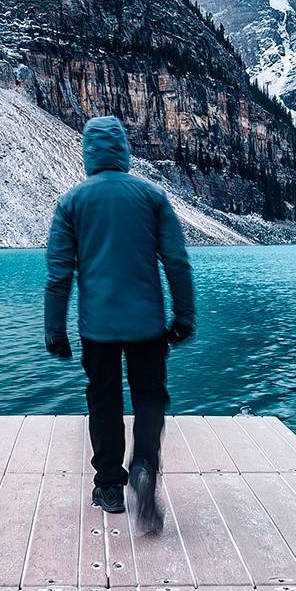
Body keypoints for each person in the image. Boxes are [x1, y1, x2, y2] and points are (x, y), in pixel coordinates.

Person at [45, 116, 195, 536]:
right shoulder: (152, 196)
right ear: (124, 151)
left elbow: (60, 274)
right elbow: (177, 263)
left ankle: (109, 487)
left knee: (104, 400)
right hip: (148, 325)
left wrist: (54, 329)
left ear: (88, 153)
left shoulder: (72, 202)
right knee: (150, 397)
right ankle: (144, 465)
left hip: (98, 329)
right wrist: (183, 316)